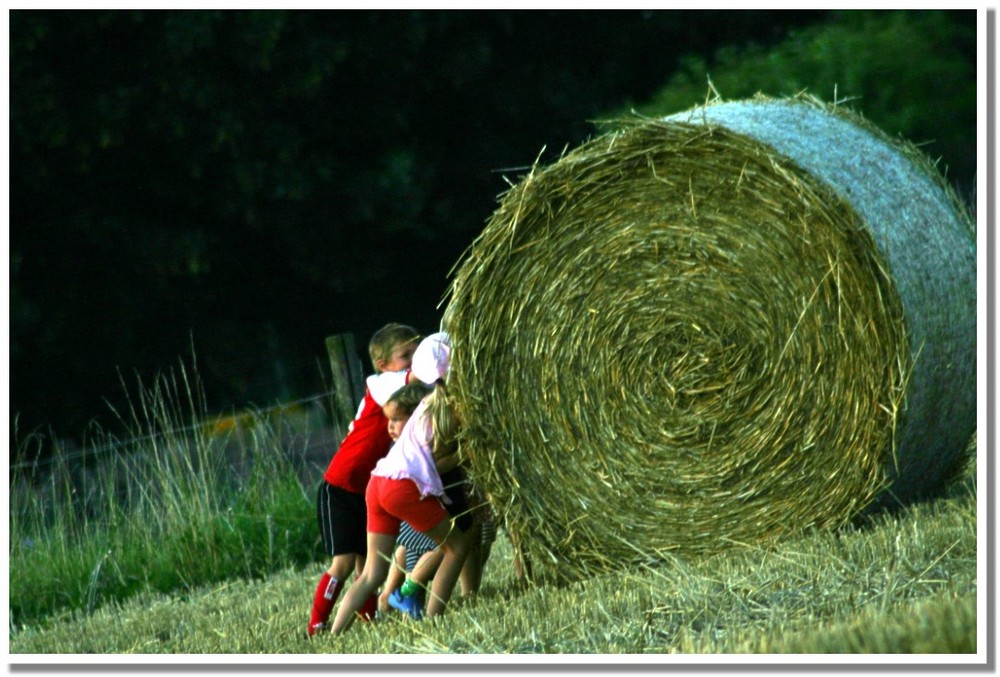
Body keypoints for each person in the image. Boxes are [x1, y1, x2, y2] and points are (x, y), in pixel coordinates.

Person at [331, 331, 470, 635]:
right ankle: (434, 618)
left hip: (378, 481)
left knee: (370, 574)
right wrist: (467, 453)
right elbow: (430, 465)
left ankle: (335, 633)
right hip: (401, 487)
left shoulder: (422, 406)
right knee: (456, 547)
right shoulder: (449, 408)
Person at [307, 322, 421, 636]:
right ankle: (317, 624)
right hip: (340, 487)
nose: (413, 359)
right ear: (384, 365)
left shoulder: (397, 391)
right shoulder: (383, 383)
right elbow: (418, 376)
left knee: (366, 564)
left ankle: (368, 619)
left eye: (416, 352)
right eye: (405, 354)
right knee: (342, 564)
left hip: (364, 490)